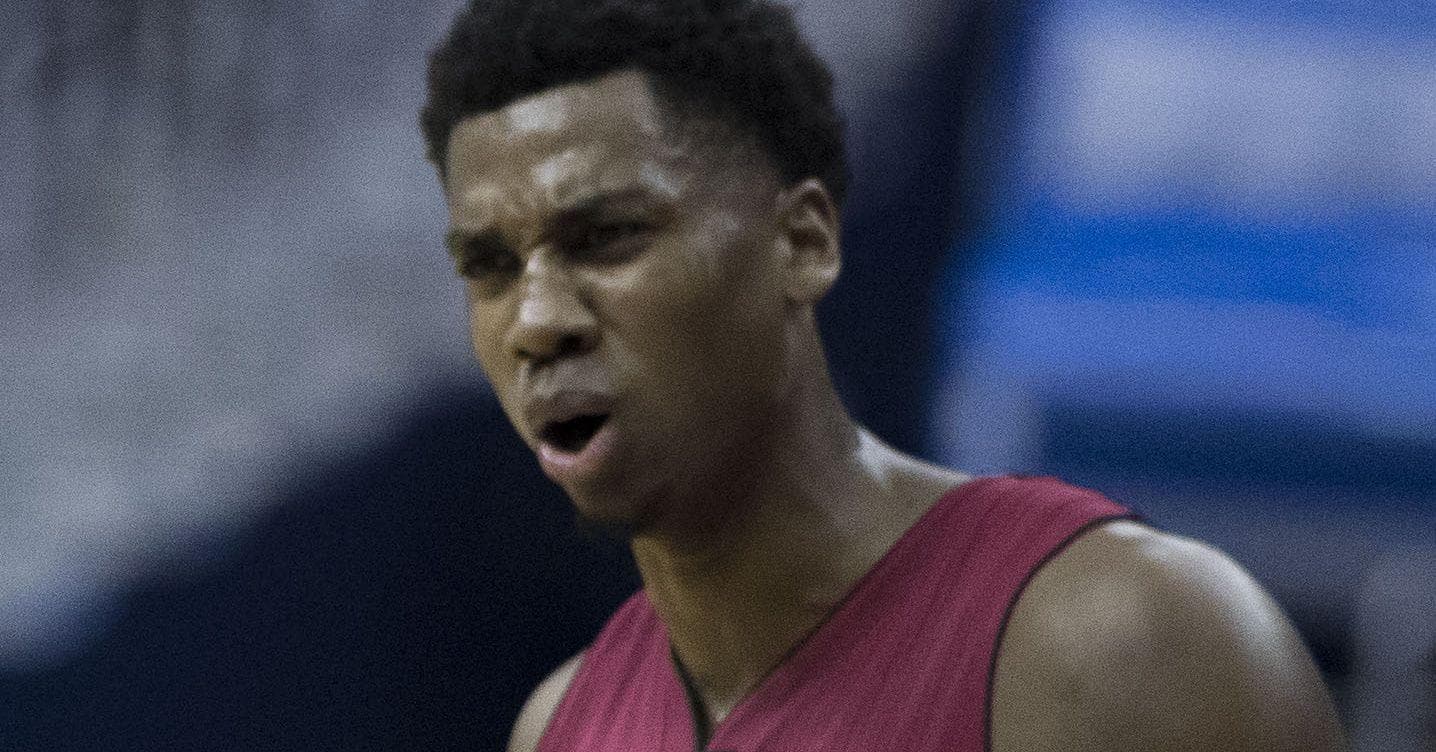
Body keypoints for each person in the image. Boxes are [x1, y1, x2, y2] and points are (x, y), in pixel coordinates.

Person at [419, 1, 1347, 750]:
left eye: (608, 237)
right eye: (491, 268)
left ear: (803, 243)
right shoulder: (563, 726)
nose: (536, 321)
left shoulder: (1125, 643)